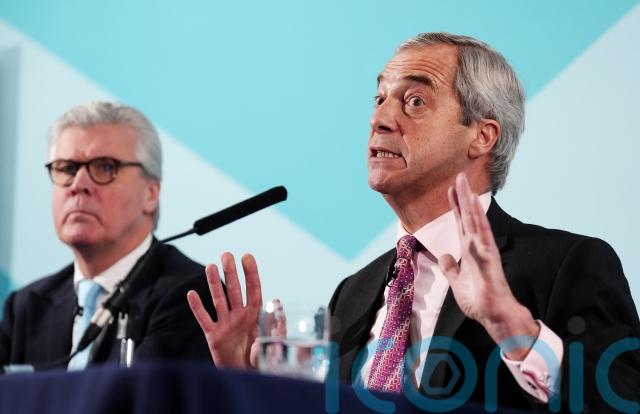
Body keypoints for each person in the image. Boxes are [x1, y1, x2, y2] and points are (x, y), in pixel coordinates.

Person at [187, 33, 640, 411]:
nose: (380, 118)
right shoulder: (352, 293)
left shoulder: (566, 264)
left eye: (415, 101)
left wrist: (511, 325)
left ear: (482, 136)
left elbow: (624, 398)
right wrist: (250, 387)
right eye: (380, 98)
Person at [0, 101, 215, 370]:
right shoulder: (26, 306)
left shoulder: (192, 295)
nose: (78, 185)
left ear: (151, 193)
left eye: (104, 167)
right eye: (66, 168)